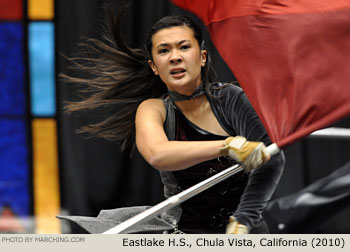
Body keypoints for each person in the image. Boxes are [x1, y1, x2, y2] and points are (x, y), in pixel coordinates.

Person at [60, 6, 285, 234]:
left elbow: (272, 159)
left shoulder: (231, 99)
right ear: (154, 66)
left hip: (244, 231)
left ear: (202, 57)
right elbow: (158, 154)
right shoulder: (153, 109)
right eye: (164, 51)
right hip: (183, 236)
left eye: (185, 47)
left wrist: (244, 219)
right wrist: (226, 146)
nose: (175, 57)